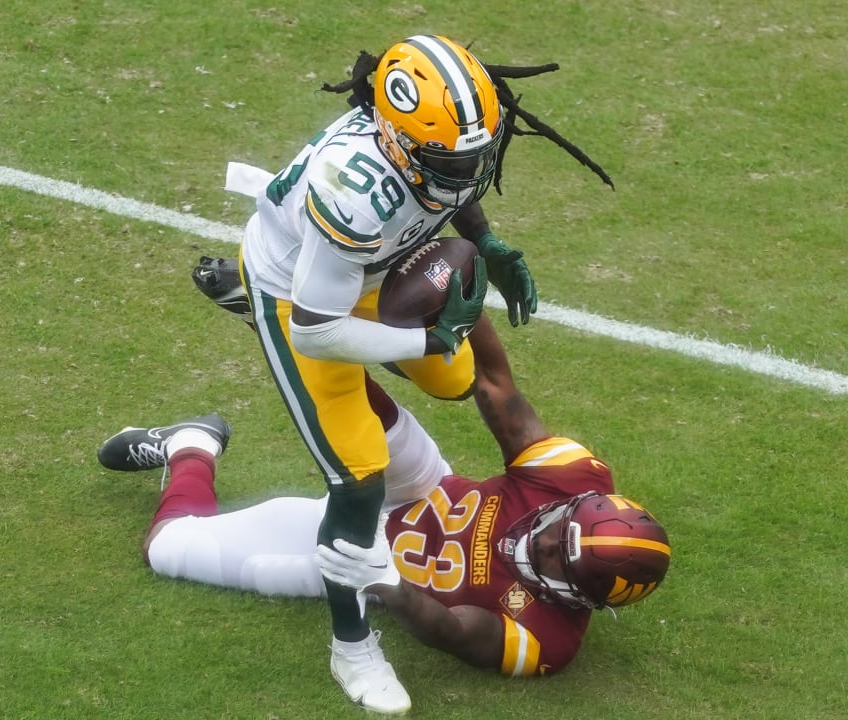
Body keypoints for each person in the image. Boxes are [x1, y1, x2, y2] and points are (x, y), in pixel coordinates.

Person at [205, 34, 615, 713]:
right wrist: (422, 332)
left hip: (366, 271)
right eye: (452, 158)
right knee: (358, 473)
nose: (470, 168)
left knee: (454, 378)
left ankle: (382, 345)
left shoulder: (427, 149)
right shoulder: (354, 195)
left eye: (474, 153)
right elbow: (319, 329)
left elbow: (445, 192)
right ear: (396, 143)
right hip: (299, 298)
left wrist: (484, 243)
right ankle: (352, 646)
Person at [97, 315, 671, 713]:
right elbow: (495, 385)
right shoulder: (575, 479)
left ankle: (190, 446)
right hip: (422, 487)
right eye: (556, 528)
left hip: (370, 559)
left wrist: (388, 586)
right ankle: (270, 313)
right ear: (577, 506)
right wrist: (466, 303)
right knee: (358, 402)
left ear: (576, 596)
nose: (536, 540)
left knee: (168, 549)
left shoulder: (550, 640)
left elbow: (455, 631)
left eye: (552, 557)